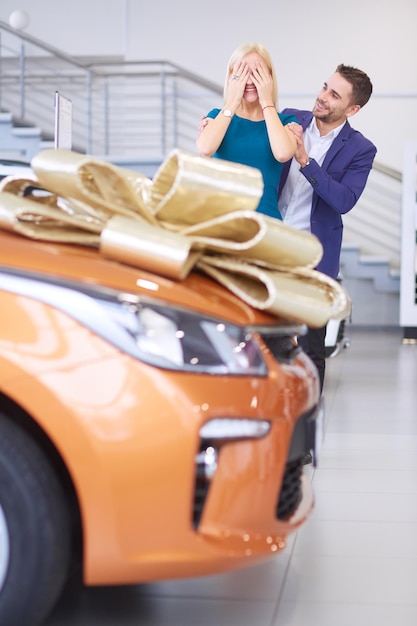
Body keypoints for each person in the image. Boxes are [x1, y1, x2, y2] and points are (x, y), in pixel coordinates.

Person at [279, 63, 377, 393]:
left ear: (353, 108)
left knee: (310, 348)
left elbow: (344, 199)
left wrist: (306, 161)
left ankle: (307, 431)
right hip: (269, 247)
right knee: (259, 339)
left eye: (334, 94)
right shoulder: (290, 119)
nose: (322, 97)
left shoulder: (361, 149)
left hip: (313, 257)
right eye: (324, 87)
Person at [196, 42, 297, 220]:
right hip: (222, 221)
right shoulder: (218, 116)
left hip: (266, 223)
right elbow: (205, 148)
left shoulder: (285, 122)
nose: (250, 81)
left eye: (257, 73)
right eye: (242, 73)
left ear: (270, 77)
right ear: (231, 77)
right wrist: (232, 101)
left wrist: (267, 102)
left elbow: (283, 154)